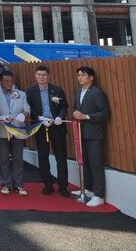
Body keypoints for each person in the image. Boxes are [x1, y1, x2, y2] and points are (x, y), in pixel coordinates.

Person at [26, 65, 69, 196]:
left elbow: (64, 106)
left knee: (61, 157)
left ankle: (63, 186)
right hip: (40, 126)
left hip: (56, 125)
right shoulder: (31, 91)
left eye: (44, 75)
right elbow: (29, 108)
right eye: (39, 74)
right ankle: (47, 184)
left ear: (48, 76)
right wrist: (39, 117)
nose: (41, 77)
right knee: (43, 156)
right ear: (35, 76)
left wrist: (59, 117)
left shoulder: (57, 90)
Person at [72, 66, 110, 208]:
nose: (80, 77)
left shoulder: (97, 92)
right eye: (78, 75)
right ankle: (88, 188)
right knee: (86, 162)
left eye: (83, 75)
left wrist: (86, 116)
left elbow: (105, 113)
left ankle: (99, 196)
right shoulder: (78, 91)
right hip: (81, 132)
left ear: (91, 78)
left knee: (96, 164)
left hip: (94, 134)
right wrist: (75, 112)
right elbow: (76, 107)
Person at [0, 71, 30, 196]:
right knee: (3, 158)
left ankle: (18, 184)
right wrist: (0, 117)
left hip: (18, 129)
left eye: (11, 81)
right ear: (0, 81)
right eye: (6, 81)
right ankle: (6, 184)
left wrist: (23, 115)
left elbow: (27, 108)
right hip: (2, 129)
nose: (9, 84)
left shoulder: (21, 94)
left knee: (18, 158)